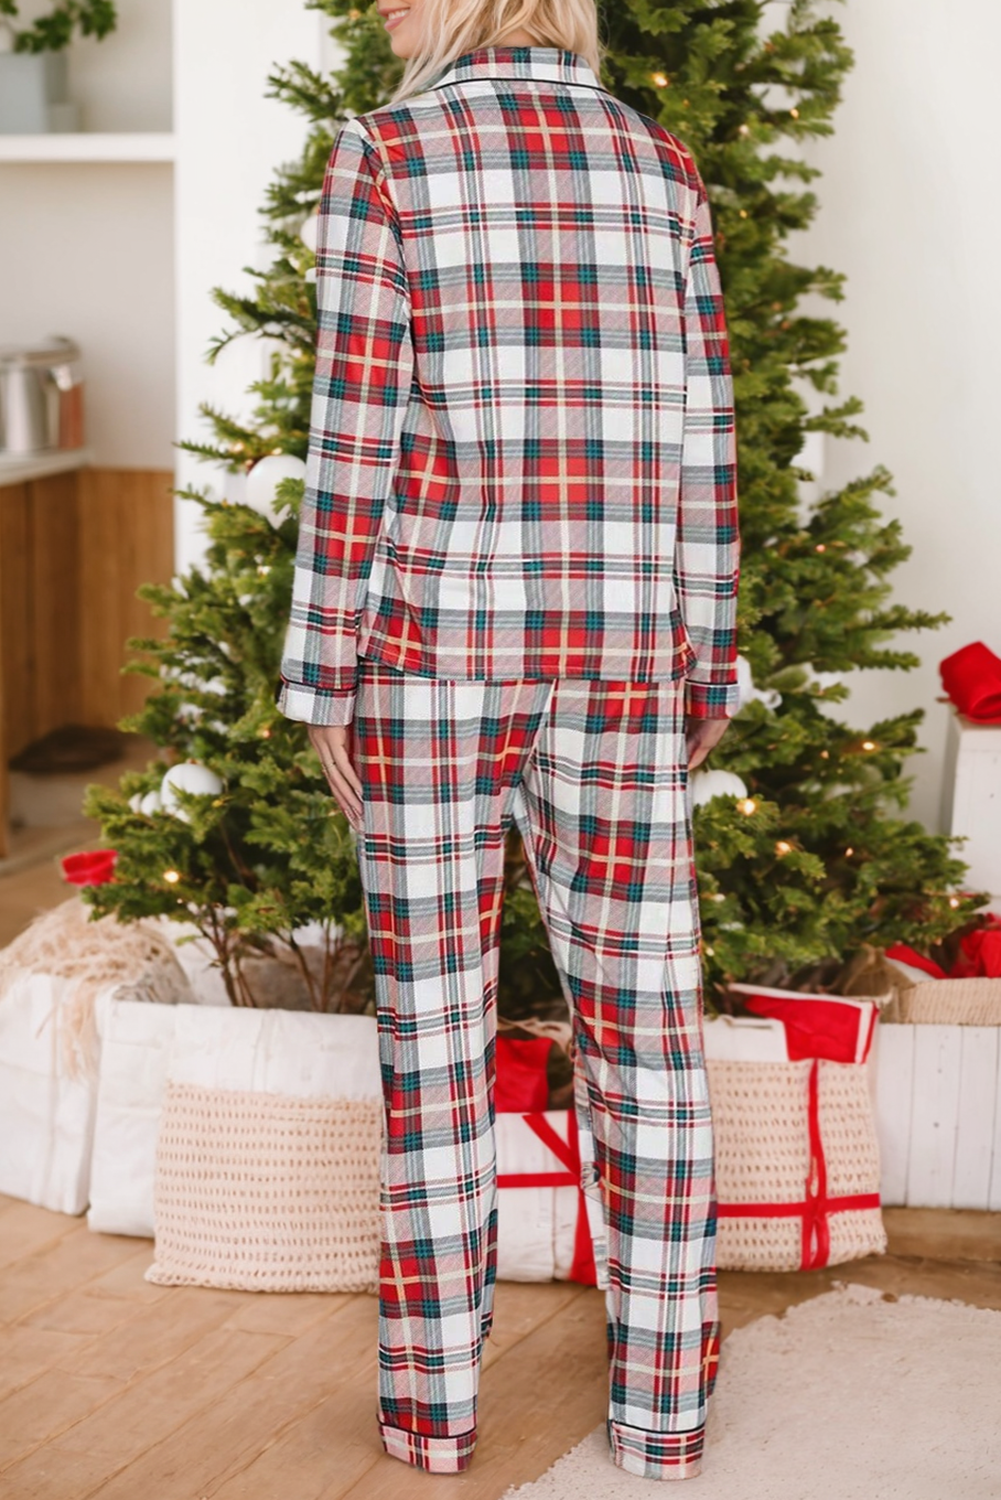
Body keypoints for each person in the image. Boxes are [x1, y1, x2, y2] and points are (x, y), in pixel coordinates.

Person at [276, 0, 740, 1481]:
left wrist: (319, 677)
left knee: (438, 1036)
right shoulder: (661, 165)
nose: (385, 11)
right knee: (647, 1034)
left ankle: (434, 1416)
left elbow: (356, 433)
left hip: (433, 657)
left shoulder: (390, 154)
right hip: (621, 652)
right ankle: (664, 1426)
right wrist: (707, 646)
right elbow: (702, 433)